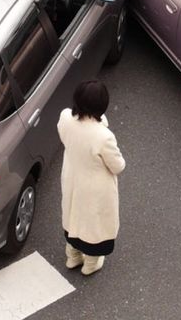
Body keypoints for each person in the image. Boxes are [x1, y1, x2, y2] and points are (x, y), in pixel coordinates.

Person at [57, 80, 126, 276]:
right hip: (95, 188)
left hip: (72, 177)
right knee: (93, 224)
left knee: (72, 216)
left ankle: (72, 256)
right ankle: (90, 264)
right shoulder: (104, 136)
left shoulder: (64, 118)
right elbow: (118, 166)